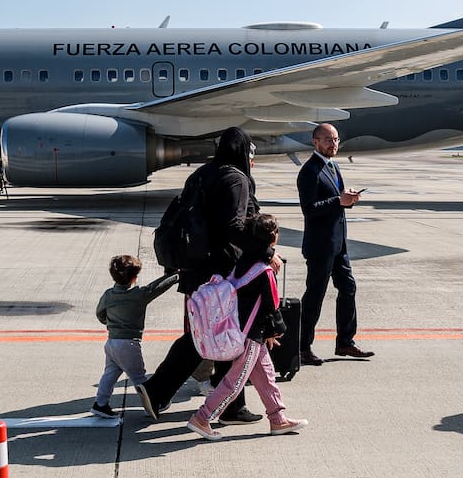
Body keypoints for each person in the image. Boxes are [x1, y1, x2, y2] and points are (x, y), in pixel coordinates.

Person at [137, 127, 276, 425]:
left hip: (194, 267)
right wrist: (266, 253)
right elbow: (234, 227)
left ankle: (161, 391)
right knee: (227, 332)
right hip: (220, 271)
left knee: (207, 333)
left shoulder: (201, 174)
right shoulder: (236, 179)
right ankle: (225, 406)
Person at [186, 214, 308, 440]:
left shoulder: (242, 262)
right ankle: (202, 418)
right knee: (234, 382)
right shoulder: (265, 270)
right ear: (273, 237)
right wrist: (275, 330)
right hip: (249, 335)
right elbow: (272, 306)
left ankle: (278, 419)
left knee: (266, 376)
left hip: (243, 329)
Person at [296, 123, 374, 366]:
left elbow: (336, 201)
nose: (334, 144)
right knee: (315, 296)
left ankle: (345, 342)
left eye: (336, 139)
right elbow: (309, 209)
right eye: (328, 140)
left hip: (338, 244)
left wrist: (348, 199)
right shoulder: (309, 171)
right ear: (315, 142)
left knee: (348, 288)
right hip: (320, 246)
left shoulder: (333, 166)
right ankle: (302, 347)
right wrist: (338, 200)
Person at [92, 255, 178, 418]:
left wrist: (110, 322)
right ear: (134, 277)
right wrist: (174, 276)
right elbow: (157, 287)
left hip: (112, 342)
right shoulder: (139, 295)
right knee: (139, 378)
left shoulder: (108, 295)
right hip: (129, 344)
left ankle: (100, 403)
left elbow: (100, 313)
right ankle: (153, 403)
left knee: (110, 374)